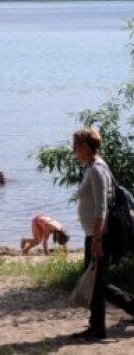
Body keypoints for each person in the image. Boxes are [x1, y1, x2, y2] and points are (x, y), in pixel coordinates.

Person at [70, 127, 134, 340]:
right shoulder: (91, 168)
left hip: (100, 236)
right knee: (96, 282)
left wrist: (97, 239)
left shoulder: (97, 170)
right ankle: (97, 326)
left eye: (76, 146)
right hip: (95, 235)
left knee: (96, 282)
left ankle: (97, 328)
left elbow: (101, 208)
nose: (73, 151)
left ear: (86, 147)